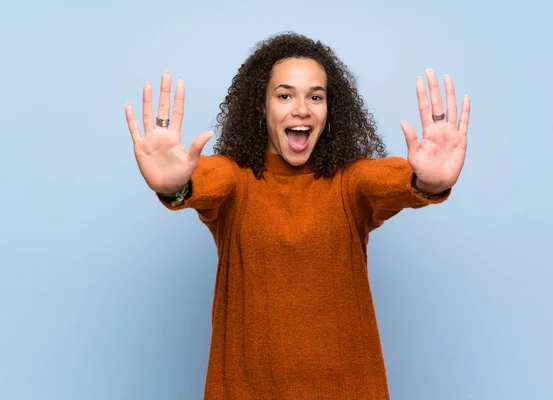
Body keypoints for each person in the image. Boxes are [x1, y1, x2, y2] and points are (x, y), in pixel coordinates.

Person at [124, 32, 470, 399]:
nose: (302, 109)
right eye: (285, 95)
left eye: (315, 96)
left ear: (329, 110)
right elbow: (207, 180)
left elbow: (385, 180)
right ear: (262, 107)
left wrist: (426, 182)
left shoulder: (349, 184)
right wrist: (174, 186)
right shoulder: (236, 182)